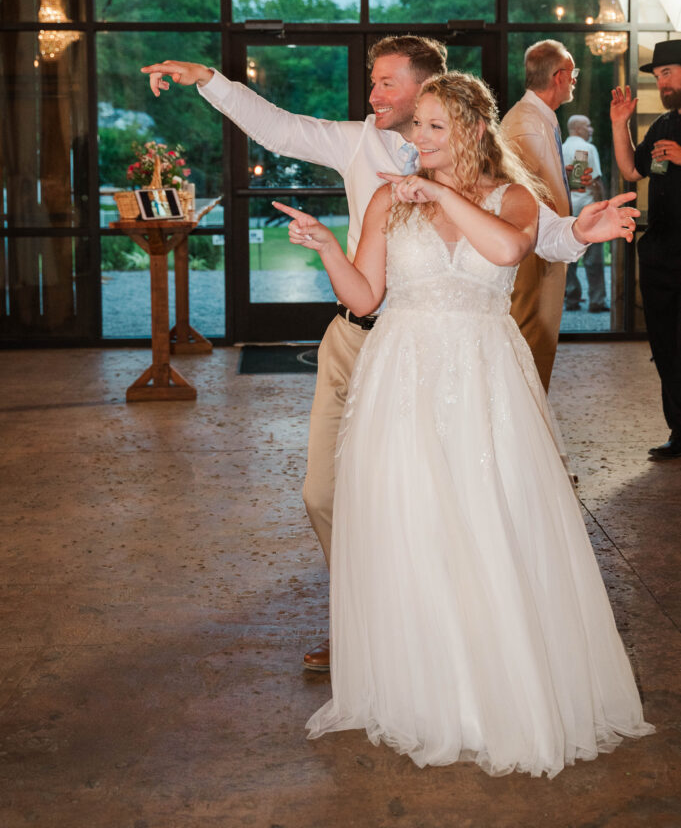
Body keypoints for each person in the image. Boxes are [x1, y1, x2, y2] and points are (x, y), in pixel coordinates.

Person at [142, 43, 640, 672]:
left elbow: (535, 235)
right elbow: (276, 127)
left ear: (433, 90)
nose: (372, 95)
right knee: (329, 494)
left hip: (466, 355)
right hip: (365, 341)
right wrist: (206, 78)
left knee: (458, 501)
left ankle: (447, 639)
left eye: (385, 84)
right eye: (371, 84)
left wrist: (580, 232)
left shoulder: (494, 177)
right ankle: (366, 621)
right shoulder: (360, 145)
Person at [273, 72, 653, 775]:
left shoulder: (509, 195)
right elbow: (365, 296)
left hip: (483, 378)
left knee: (488, 519)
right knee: (412, 523)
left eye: (430, 127)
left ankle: (496, 689)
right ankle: (423, 692)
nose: (413, 139)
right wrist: (327, 248)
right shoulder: (390, 197)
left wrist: (568, 226)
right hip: (401, 376)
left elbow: (514, 249)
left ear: (472, 133)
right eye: (413, 125)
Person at [611, 38, 681, 461]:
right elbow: (632, 172)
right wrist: (620, 124)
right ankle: (679, 429)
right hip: (662, 255)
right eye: (658, 77)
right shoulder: (664, 126)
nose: (662, 83)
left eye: (668, 73)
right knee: (667, 346)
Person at [501, 40, 577, 391]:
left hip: (543, 246)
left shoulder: (538, 118)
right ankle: (525, 423)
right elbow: (526, 193)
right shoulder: (525, 123)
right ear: (559, 76)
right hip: (536, 250)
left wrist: (570, 178)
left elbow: (539, 178)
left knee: (540, 340)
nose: (574, 81)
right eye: (572, 74)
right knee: (532, 336)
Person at [562, 114, 608, 313]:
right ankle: (596, 300)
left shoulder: (560, 148)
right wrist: (605, 206)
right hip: (588, 208)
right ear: (579, 128)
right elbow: (595, 181)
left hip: (566, 210)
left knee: (569, 256)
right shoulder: (587, 149)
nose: (592, 130)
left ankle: (572, 297)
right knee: (594, 258)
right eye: (588, 126)